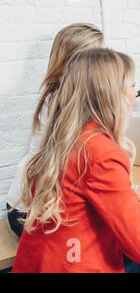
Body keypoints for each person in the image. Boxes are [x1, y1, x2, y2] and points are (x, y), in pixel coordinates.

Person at [13, 48, 140, 273]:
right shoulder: (103, 153)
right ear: (112, 94)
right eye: (133, 85)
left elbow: (92, 200)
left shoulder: (66, 135)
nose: (136, 94)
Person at [6, 23, 104, 237]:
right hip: (30, 213)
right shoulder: (62, 101)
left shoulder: (60, 94)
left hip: (35, 204)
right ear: (77, 61)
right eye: (97, 57)